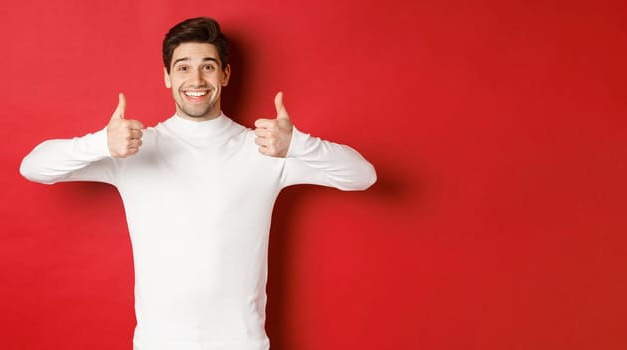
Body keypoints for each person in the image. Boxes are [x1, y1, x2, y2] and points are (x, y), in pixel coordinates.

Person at [20, 17, 376, 350]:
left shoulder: (266, 150)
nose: (196, 80)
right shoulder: (133, 148)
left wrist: (298, 143)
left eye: (207, 66)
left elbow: (363, 176)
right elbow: (34, 166)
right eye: (183, 67)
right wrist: (99, 143)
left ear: (224, 74)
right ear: (167, 77)